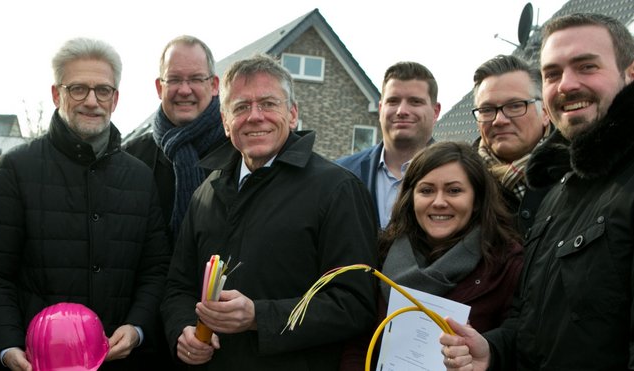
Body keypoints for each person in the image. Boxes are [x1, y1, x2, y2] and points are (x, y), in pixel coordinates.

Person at [440, 13, 634, 370]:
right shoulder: (564, 185)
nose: (567, 85)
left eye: (586, 66)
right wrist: (493, 352)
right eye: (552, 74)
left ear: (633, 74)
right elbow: (535, 325)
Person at [161, 54, 379, 370]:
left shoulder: (338, 189)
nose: (255, 116)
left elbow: (354, 305)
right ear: (225, 122)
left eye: (268, 104)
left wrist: (259, 318)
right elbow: (178, 287)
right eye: (240, 107)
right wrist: (182, 329)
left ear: (292, 114)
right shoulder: (205, 193)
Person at [0, 37, 169, 371]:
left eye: (103, 90)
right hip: (36, 363)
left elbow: (156, 270)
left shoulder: (139, 177)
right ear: (56, 94)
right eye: (78, 89)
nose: (92, 101)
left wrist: (137, 328)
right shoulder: (15, 169)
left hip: (117, 361)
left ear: (115, 99)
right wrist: (7, 347)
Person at [380, 141, 523, 333]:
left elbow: (514, 344)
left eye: (454, 191)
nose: (439, 202)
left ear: (477, 200)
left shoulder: (507, 265)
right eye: (426, 190)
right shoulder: (380, 254)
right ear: (410, 198)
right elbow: (358, 343)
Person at [123, 35, 229, 240]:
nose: (184, 90)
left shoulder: (239, 153)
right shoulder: (132, 158)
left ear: (215, 85)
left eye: (196, 79)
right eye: (174, 79)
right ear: (159, 87)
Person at [338, 62, 441, 228]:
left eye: (415, 102)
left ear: (435, 112)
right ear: (380, 109)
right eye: (393, 101)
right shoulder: (341, 174)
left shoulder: (459, 176)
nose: (402, 110)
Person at [469, 55, 551, 233]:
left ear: (545, 112)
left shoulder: (580, 173)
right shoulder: (463, 182)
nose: (499, 120)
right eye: (487, 110)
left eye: (515, 106)